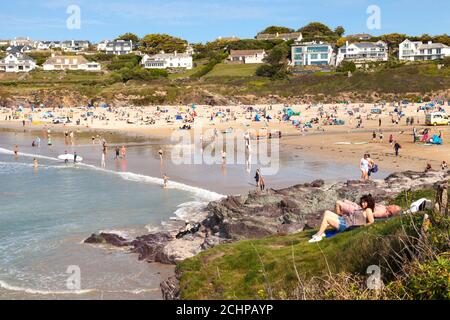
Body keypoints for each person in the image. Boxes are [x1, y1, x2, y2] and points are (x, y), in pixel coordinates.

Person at [309, 195, 375, 243]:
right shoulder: (362, 209)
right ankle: (321, 232)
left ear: (369, 202)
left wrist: (362, 226)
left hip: (346, 226)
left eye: (365, 202)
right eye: (362, 202)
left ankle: (318, 236)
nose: (363, 203)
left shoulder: (368, 210)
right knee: (327, 212)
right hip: (344, 220)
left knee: (327, 218)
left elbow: (371, 221)